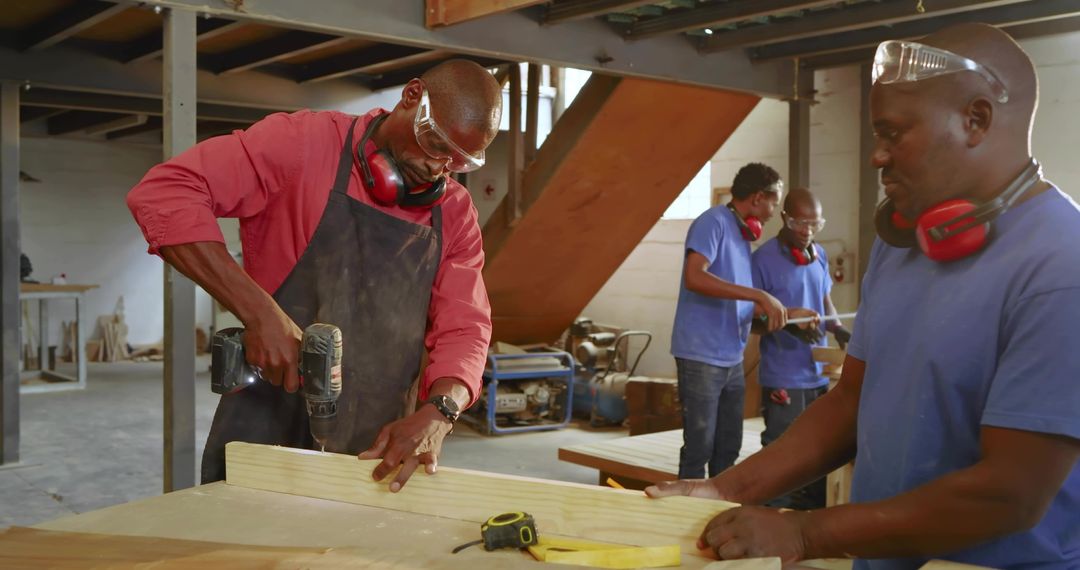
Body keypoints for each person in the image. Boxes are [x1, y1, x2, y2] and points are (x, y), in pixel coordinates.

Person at [646, 24, 1080, 568]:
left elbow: (1009, 492)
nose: (876, 156)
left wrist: (805, 533)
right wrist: (725, 488)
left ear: (976, 120)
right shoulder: (906, 245)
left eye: (893, 133)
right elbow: (852, 401)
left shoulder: (1062, 266)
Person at [127, 59, 502, 491]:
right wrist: (258, 313)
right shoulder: (302, 144)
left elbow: (466, 327)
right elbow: (164, 193)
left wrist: (440, 412)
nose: (439, 167)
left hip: (377, 442)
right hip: (264, 420)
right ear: (412, 96)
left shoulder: (453, 213)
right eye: (434, 142)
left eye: (458, 161)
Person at [670, 163, 818, 480]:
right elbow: (695, 277)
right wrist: (759, 295)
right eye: (773, 203)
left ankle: (721, 513)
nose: (772, 212)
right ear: (756, 198)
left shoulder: (740, 237)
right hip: (701, 355)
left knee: (728, 445)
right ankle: (684, 518)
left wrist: (788, 315)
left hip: (731, 358)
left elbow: (738, 304)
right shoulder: (713, 223)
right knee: (700, 447)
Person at [750, 187, 850, 510]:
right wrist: (789, 320)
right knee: (781, 450)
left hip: (818, 373)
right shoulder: (762, 260)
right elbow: (750, 320)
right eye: (800, 224)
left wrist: (837, 328)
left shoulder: (818, 255)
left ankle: (806, 519)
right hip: (784, 376)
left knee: (819, 449)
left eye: (814, 225)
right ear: (784, 218)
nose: (807, 232)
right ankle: (772, 515)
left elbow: (824, 300)